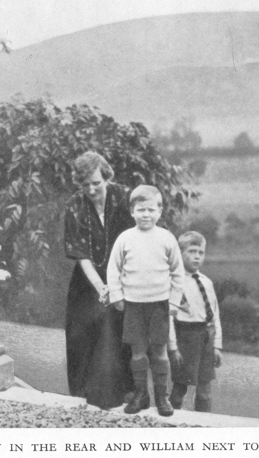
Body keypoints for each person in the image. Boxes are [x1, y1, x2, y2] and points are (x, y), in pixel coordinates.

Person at [63, 151, 135, 409]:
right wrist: (102, 288)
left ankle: (124, 395)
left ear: (106, 177)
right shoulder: (74, 205)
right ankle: (85, 399)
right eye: (85, 185)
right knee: (83, 333)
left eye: (96, 183)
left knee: (117, 332)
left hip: (127, 275)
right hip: (88, 281)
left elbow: (139, 239)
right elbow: (82, 257)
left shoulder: (126, 198)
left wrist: (120, 284)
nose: (92, 190)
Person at [107, 185, 184, 416]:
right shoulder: (125, 238)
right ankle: (141, 395)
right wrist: (117, 295)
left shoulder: (166, 238)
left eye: (151, 209)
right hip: (133, 305)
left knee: (160, 352)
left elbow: (178, 272)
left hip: (159, 305)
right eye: (141, 210)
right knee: (138, 353)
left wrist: (174, 302)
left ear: (160, 211)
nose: (146, 215)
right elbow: (114, 269)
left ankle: (162, 397)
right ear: (132, 211)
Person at [168, 231, 223, 413]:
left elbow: (214, 315)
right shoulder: (175, 282)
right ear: (180, 253)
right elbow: (169, 316)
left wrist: (217, 346)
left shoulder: (206, 282)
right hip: (185, 337)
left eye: (201, 252)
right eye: (192, 252)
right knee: (180, 387)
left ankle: (203, 424)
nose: (197, 257)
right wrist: (173, 347)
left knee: (205, 389)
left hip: (206, 336)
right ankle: (170, 422)